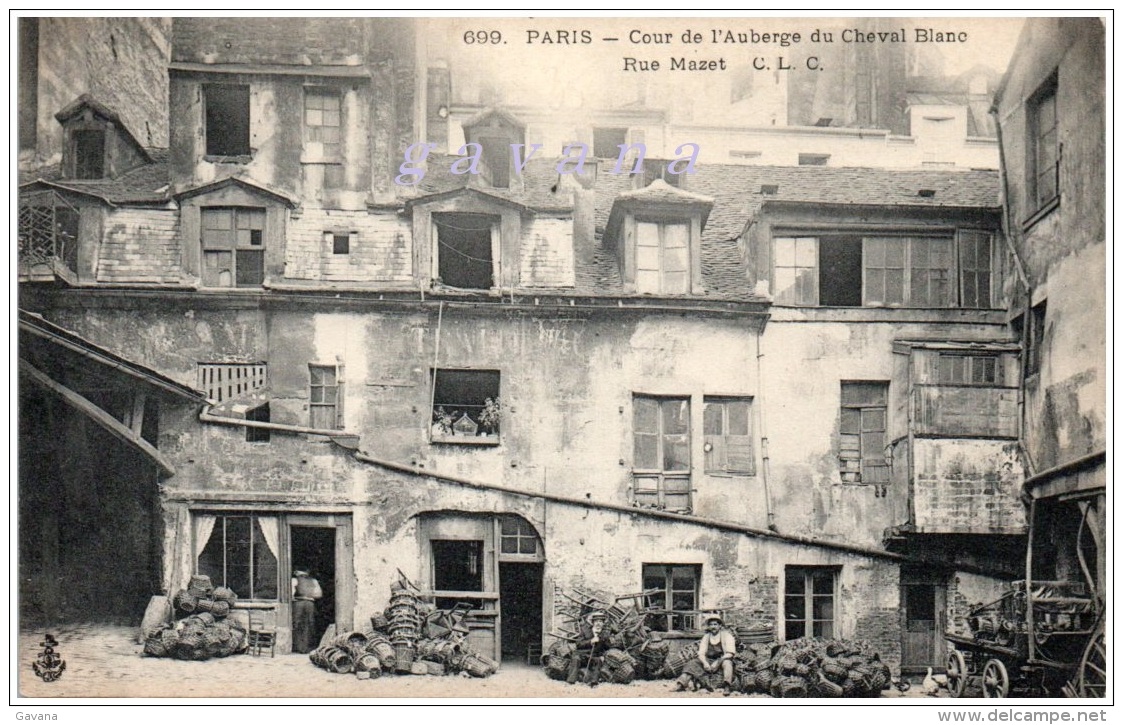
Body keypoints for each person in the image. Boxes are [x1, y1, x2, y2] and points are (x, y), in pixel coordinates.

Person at [672, 614, 737, 695]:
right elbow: (701, 653)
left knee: (727, 663)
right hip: (708, 660)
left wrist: (718, 662)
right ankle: (681, 684)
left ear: (720, 626)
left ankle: (727, 686)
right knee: (692, 663)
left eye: (715, 624)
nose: (713, 627)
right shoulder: (706, 637)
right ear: (708, 626)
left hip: (722, 659)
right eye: (711, 625)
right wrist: (705, 663)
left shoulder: (727, 636)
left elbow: (730, 653)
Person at [566, 609, 611, 686]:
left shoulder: (604, 633)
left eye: (600, 622)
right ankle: (571, 681)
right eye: (596, 621)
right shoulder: (585, 630)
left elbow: (608, 647)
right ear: (593, 623)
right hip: (582, 655)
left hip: (594, 656)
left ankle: (594, 682)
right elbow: (578, 644)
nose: (598, 623)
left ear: (603, 623)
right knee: (576, 658)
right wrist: (591, 641)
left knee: (598, 661)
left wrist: (602, 639)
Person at [291, 568, 323, 654]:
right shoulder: (314, 581)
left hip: (298, 603)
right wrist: (310, 594)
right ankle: (306, 647)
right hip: (310, 603)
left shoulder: (294, 580)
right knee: (309, 624)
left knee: (297, 624)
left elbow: (291, 594)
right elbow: (319, 594)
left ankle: (298, 647)